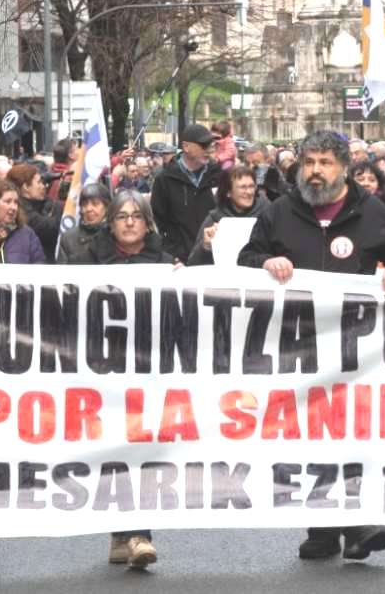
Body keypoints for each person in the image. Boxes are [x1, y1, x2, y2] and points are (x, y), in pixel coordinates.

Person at [239, 130, 385, 562]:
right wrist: (265, 261)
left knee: (350, 432)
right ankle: (321, 527)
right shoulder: (278, 213)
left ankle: (357, 522)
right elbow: (245, 258)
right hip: (296, 347)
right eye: (309, 163)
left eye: (324, 163)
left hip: (355, 348)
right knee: (309, 436)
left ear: (343, 169)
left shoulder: (369, 212)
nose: (315, 172)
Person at [65, 191, 166, 568]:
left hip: (148, 372)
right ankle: (120, 534)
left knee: (140, 449)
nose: (128, 222)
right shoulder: (84, 261)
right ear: (110, 223)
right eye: (121, 216)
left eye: (136, 216)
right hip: (101, 373)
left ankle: (140, 533)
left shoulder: (166, 262)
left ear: (147, 223)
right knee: (113, 452)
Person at [150, 124, 222, 263]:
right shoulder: (164, 180)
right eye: (203, 145)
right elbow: (159, 222)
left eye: (211, 144)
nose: (209, 149)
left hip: (214, 257)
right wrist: (171, 254)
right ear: (186, 147)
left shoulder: (219, 176)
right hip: (179, 261)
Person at [189, 164, 271, 265]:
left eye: (251, 186)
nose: (249, 192)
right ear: (228, 192)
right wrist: (206, 246)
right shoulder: (215, 218)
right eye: (243, 187)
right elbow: (193, 263)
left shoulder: (268, 213)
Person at [5, 164, 62, 259]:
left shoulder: (46, 204)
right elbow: (48, 228)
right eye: (39, 182)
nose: (44, 186)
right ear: (26, 187)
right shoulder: (19, 210)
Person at [56, 182, 114, 263]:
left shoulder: (115, 234)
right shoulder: (68, 239)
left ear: (107, 207)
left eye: (95, 204)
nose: (89, 209)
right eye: (84, 204)